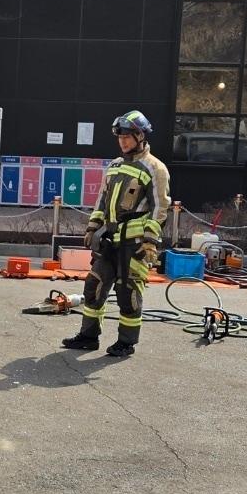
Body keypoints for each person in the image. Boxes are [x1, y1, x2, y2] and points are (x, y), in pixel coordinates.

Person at [63, 111, 170, 358]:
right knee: (94, 286)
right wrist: (92, 227)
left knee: (128, 294)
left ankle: (126, 342)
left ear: (140, 136)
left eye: (127, 136)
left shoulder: (156, 168)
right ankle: (89, 337)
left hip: (135, 245)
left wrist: (151, 241)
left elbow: (160, 207)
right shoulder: (114, 166)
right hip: (109, 241)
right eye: (120, 137)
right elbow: (102, 201)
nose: (122, 141)